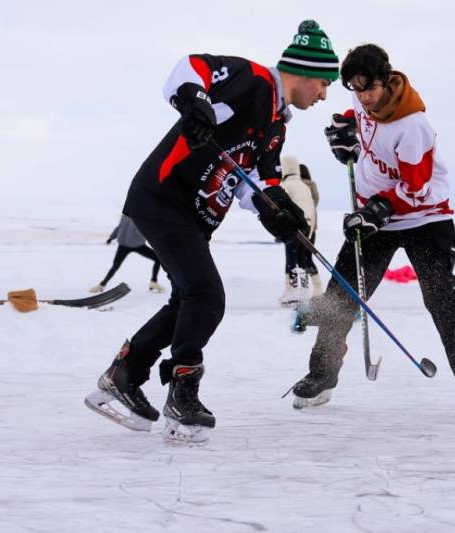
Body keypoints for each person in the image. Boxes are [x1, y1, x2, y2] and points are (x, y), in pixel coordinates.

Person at [84, 21, 335, 442]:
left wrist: (280, 212)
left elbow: (258, 184)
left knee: (187, 299)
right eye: (324, 83)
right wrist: (195, 104)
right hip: (162, 197)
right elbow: (190, 69)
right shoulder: (251, 80)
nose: (324, 95)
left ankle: (124, 374)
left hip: (195, 217)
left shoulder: (277, 125)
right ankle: (183, 394)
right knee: (207, 295)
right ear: (305, 72)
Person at [290, 43, 455, 416]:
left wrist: (380, 209)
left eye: (369, 88)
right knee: (343, 293)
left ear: (386, 80)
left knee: (438, 295)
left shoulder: (411, 125)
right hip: (376, 215)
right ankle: (321, 375)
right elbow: (357, 123)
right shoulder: (361, 100)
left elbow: (416, 187)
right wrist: (343, 133)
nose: (364, 98)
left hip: (424, 216)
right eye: (356, 90)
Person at [278, 155, 321, 306]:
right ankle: (304, 290)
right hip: (308, 226)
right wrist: (309, 229)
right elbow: (311, 206)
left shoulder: (286, 185)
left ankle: (291, 292)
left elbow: (281, 208)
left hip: (294, 227)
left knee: (291, 259)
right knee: (303, 260)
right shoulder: (304, 185)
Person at [90, 215, 165, 294]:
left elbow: (119, 227)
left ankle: (102, 284)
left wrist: (111, 237)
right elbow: (141, 231)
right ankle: (153, 281)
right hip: (136, 244)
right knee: (158, 259)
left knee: (115, 266)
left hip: (124, 245)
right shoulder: (141, 216)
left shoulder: (126, 214)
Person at [298, 164, 324, 296]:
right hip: (312, 226)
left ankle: (308, 286)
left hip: (301, 227)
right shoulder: (311, 185)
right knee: (306, 257)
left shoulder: (299, 185)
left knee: (301, 259)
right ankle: (314, 287)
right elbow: (315, 202)